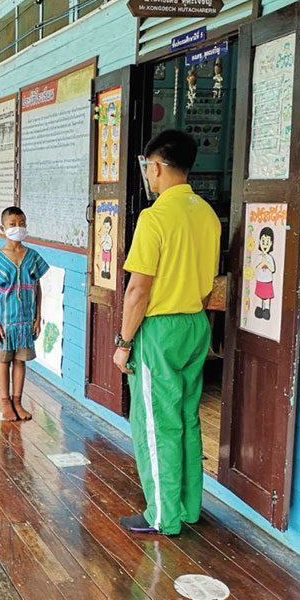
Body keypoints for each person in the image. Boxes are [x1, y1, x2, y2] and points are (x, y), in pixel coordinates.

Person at [113, 130, 220, 536]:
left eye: (147, 168)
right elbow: (209, 282)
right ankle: (188, 507)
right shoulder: (206, 214)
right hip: (195, 322)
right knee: (187, 417)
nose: (148, 175)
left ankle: (162, 515)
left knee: (157, 424)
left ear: (156, 167)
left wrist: (124, 342)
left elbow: (138, 290)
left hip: (159, 330)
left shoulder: (155, 217)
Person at [0, 206, 47, 421]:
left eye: (21, 224)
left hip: (25, 323)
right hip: (4, 323)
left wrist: (38, 317)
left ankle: (17, 402)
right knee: (3, 362)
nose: (17, 228)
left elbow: (37, 288)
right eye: (12, 225)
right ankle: (5, 403)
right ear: (2, 228)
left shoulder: (32, 256)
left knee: (20, 361)